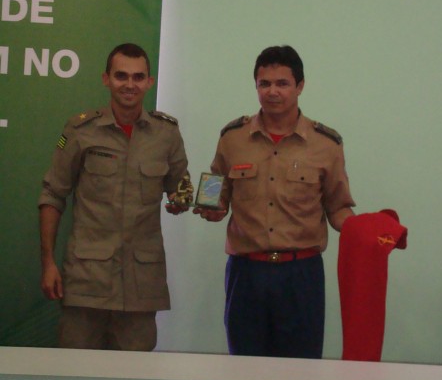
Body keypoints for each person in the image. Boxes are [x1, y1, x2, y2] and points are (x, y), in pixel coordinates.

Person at [194, 45, 355, 358]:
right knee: (244, 368)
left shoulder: (326, 144)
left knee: (301, 371)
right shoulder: (232, 138)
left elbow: (338, 208)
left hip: (301, 274)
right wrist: (207, 207)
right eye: (264, 84)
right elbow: (214, 193)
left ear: (300, 86)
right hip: (246, 273)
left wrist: (364, 232)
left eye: (282, 83)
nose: (272, 92)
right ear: (256, 86)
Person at [39, 42, 189, 351]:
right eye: (121, 76)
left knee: (134, 377)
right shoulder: (81, 130)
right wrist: (48, 263)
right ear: (106, 79)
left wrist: (181, 202)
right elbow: (52, 195)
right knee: (76, 372)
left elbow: (180, 187)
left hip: (141, 285)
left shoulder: (167, 134)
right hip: (86, 282)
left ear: (149, 82)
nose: (129, 84)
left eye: (138, 77)